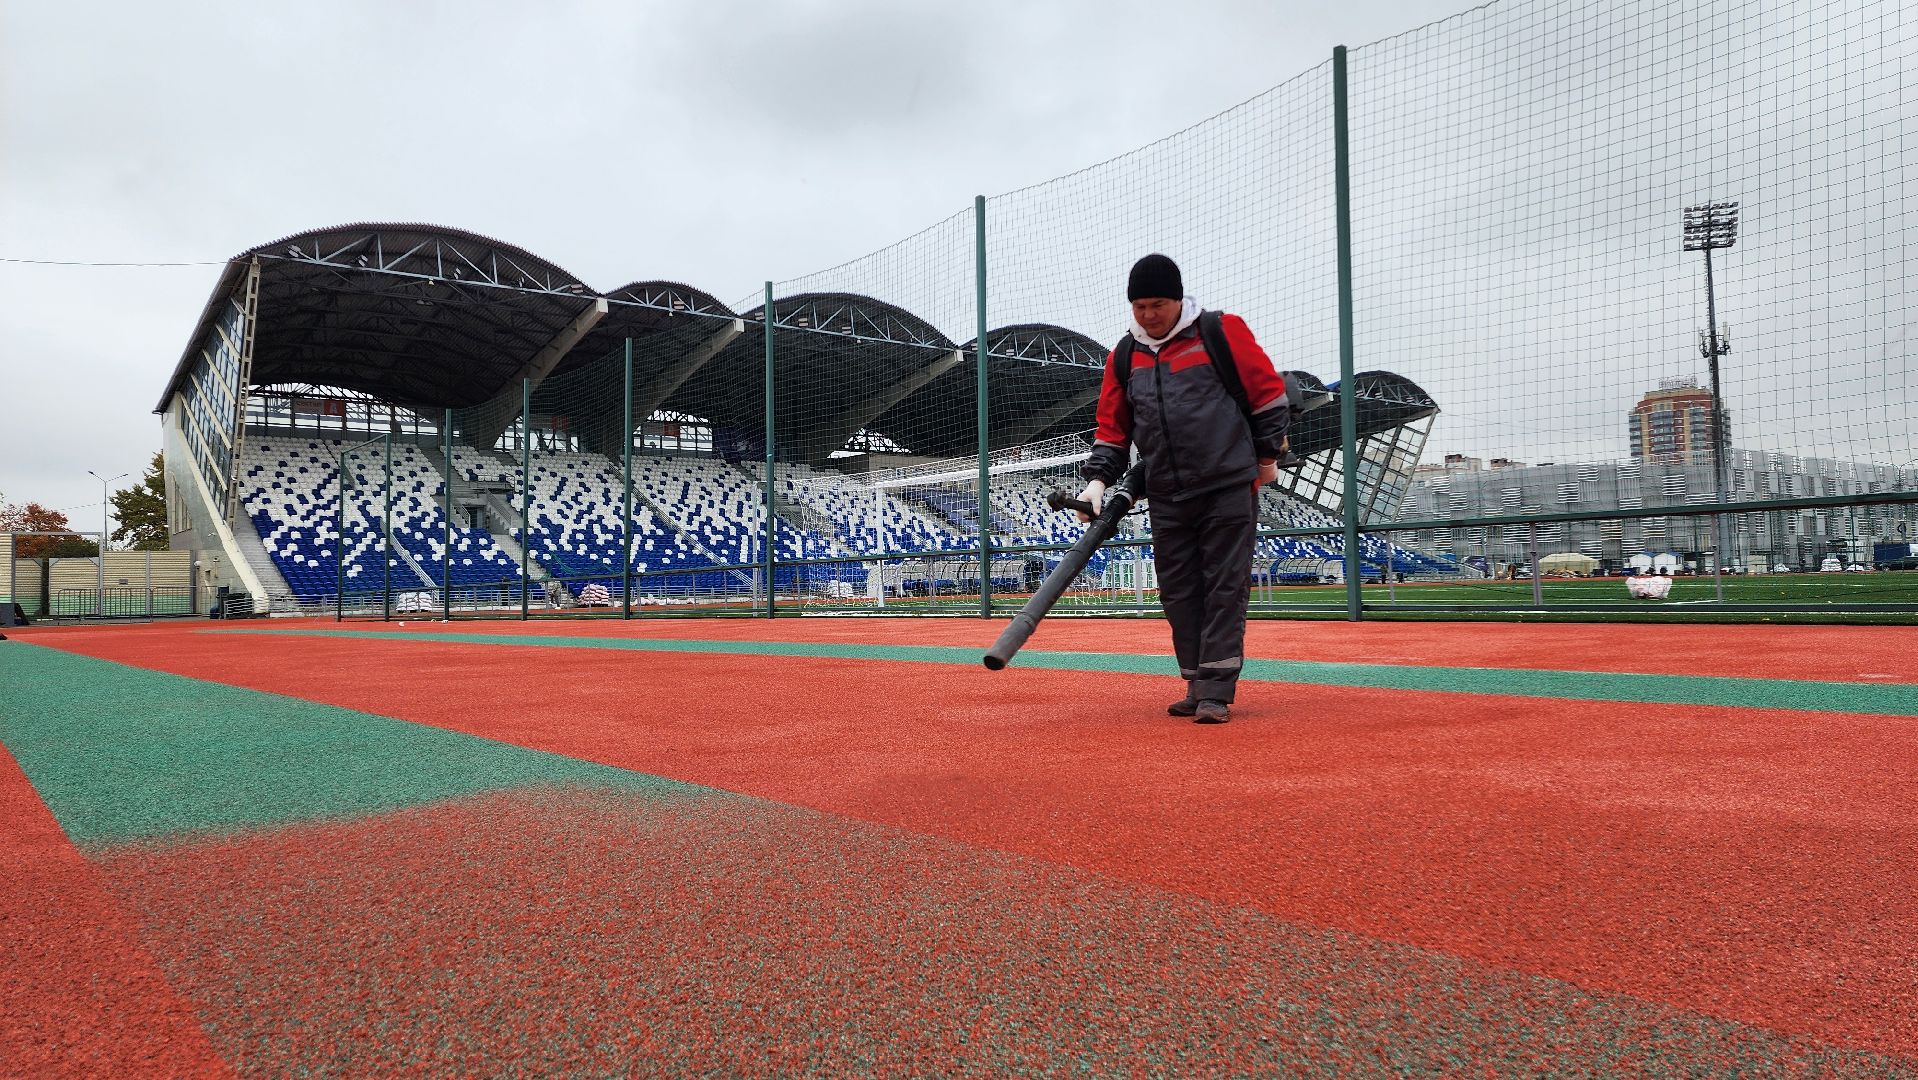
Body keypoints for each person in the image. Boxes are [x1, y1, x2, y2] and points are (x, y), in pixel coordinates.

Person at [1077, 254, 1290, 724]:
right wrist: (1097, 481)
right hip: (1167, 494)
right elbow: (1113, 429)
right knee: (1176, 591)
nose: (1148, 315)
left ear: (1177, 300)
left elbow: (1269, 396)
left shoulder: (1219, 331)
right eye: (1139, 306)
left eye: (1157, 304)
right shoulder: (1124, 356)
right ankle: (1195, 680)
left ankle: (1216, 690)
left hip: (1227, 485)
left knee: (1223, 586)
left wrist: (1265, 458)